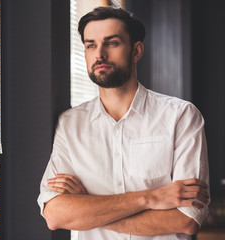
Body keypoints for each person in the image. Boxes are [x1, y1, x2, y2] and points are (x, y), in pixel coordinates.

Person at [37, 6, 210, 240]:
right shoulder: (70, 124)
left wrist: (88, 206)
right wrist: (151, 198)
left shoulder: (181, 116)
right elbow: (56, 215)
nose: (99, 54)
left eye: (112, 43)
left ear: (136, 51)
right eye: (91, 45)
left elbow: (186, 220)